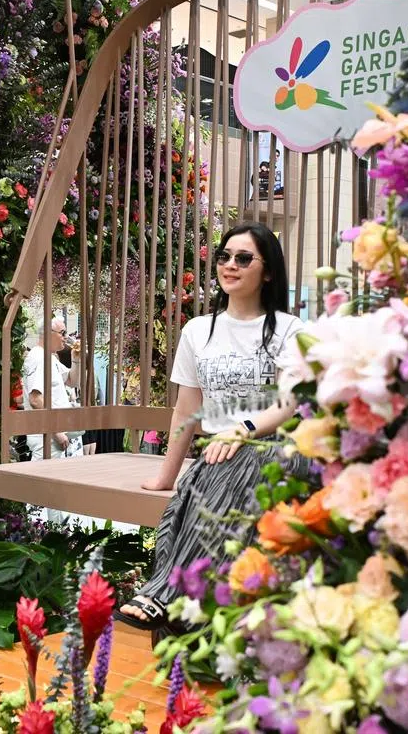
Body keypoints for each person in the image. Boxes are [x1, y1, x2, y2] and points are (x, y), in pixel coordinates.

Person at [117, 222, 305, 629]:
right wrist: (167, 476)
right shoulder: (198, 331)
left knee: (236, 469)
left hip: (273, 449)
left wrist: (244, 430)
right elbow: (187, 410)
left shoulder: (290, 330)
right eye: (224, 257)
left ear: (267, 271)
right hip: (218, 455)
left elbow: (291, 401)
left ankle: (169, 594)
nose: (230, 265)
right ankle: (184, 599)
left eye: (243, 258)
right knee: (195, 488)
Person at [21, 316, 83, 460]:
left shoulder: (49, 358)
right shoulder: (39, 358)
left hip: (51, 436)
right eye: (62, 332)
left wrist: (76, 358)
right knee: (43, 480)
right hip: (47, 437)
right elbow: (35, 399)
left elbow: (71, 381)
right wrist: (56, 431)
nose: (65, 337)